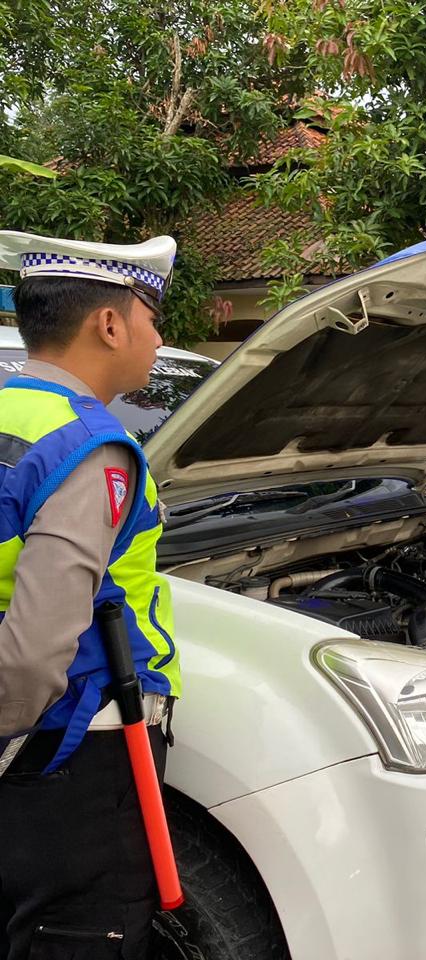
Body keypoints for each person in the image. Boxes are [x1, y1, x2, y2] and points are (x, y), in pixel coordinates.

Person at [0, 231, 181, 958]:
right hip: (77, 748)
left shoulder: (11, 415)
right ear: (109, 324)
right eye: (150, 317)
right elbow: (38, 644)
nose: (158, 338)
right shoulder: (89, 446)